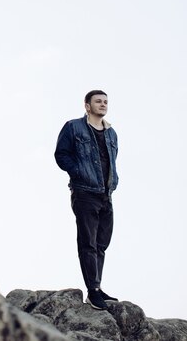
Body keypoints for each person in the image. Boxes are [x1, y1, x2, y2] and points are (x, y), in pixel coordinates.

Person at [54, 90, 119, 310]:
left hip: (105, 194)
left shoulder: (112, 134)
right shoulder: (74, 127)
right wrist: (79, 172)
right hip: (84, 192)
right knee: (88, 243)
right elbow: (61, 155)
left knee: (102, 243)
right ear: (87, 106)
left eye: (105, 102)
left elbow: (111, 161)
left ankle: (98, 287)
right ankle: (92, 291)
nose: (103, 105)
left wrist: (112, 183)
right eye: (98, 101)